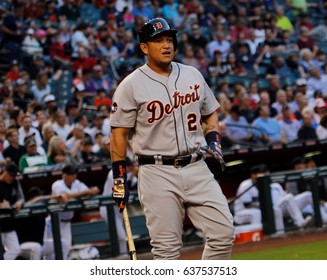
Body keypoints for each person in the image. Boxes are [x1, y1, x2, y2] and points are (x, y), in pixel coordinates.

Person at [109, 18, 234, 260]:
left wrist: (214, 139)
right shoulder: (130, 85)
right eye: (158, 40)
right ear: (144, 47)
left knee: (224, 233)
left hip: (197, 166)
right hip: (157, 172)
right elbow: (118, 135)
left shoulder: (192, 74)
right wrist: (119, 177)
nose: (166, 45)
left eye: (169, 39)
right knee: (166, 251)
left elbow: (209, 112)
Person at [51, 165, 100, 248]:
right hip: (54, 222)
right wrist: (85, 192)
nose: (74, 176)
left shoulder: (76, 183)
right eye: (71, 174)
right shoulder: (57, 185)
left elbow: (88, 190)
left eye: (74, 174)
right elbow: (66, 196)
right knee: (52, 249)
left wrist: (93, 190)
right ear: (64, 175)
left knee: (66, 248)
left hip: (67, 223)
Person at [0, 163, 24, 260]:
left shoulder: (15, 182)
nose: (12, 178)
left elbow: (21, 198)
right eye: (10, 175)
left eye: (14, 176)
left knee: (15, 250)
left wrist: (19, 203)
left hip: (8, 222)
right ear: (4, 171)